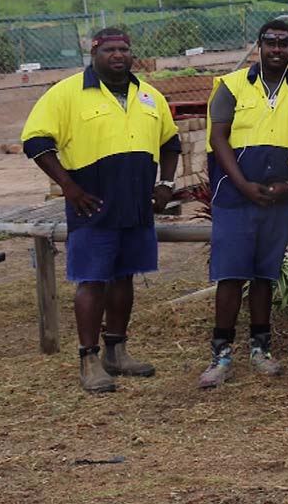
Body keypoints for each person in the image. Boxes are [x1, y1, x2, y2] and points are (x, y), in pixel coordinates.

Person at [21, 29, 180, 393]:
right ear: (94, 52)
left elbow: (170, 142)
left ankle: (117, 352)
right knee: (92, 280)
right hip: (93, 205)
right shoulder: (67, 93)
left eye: (124, 48)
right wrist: (69, 187)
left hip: (137, 205)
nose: (118, 55)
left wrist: (165, 184)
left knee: (124, 278)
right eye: (109, 49)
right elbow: (36, 141)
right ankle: (89, 360)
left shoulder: (148, 95)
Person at [200, 21, 288, 388]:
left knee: (265, 274)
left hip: (278, 199)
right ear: (259, 46)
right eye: (270, 43)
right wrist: (243, 185)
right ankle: (221, 354)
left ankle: (261, 349)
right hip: (235, 196)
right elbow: (218, 139)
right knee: (231, 276)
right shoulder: (230, 86)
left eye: (284, 43)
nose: (276, 49)